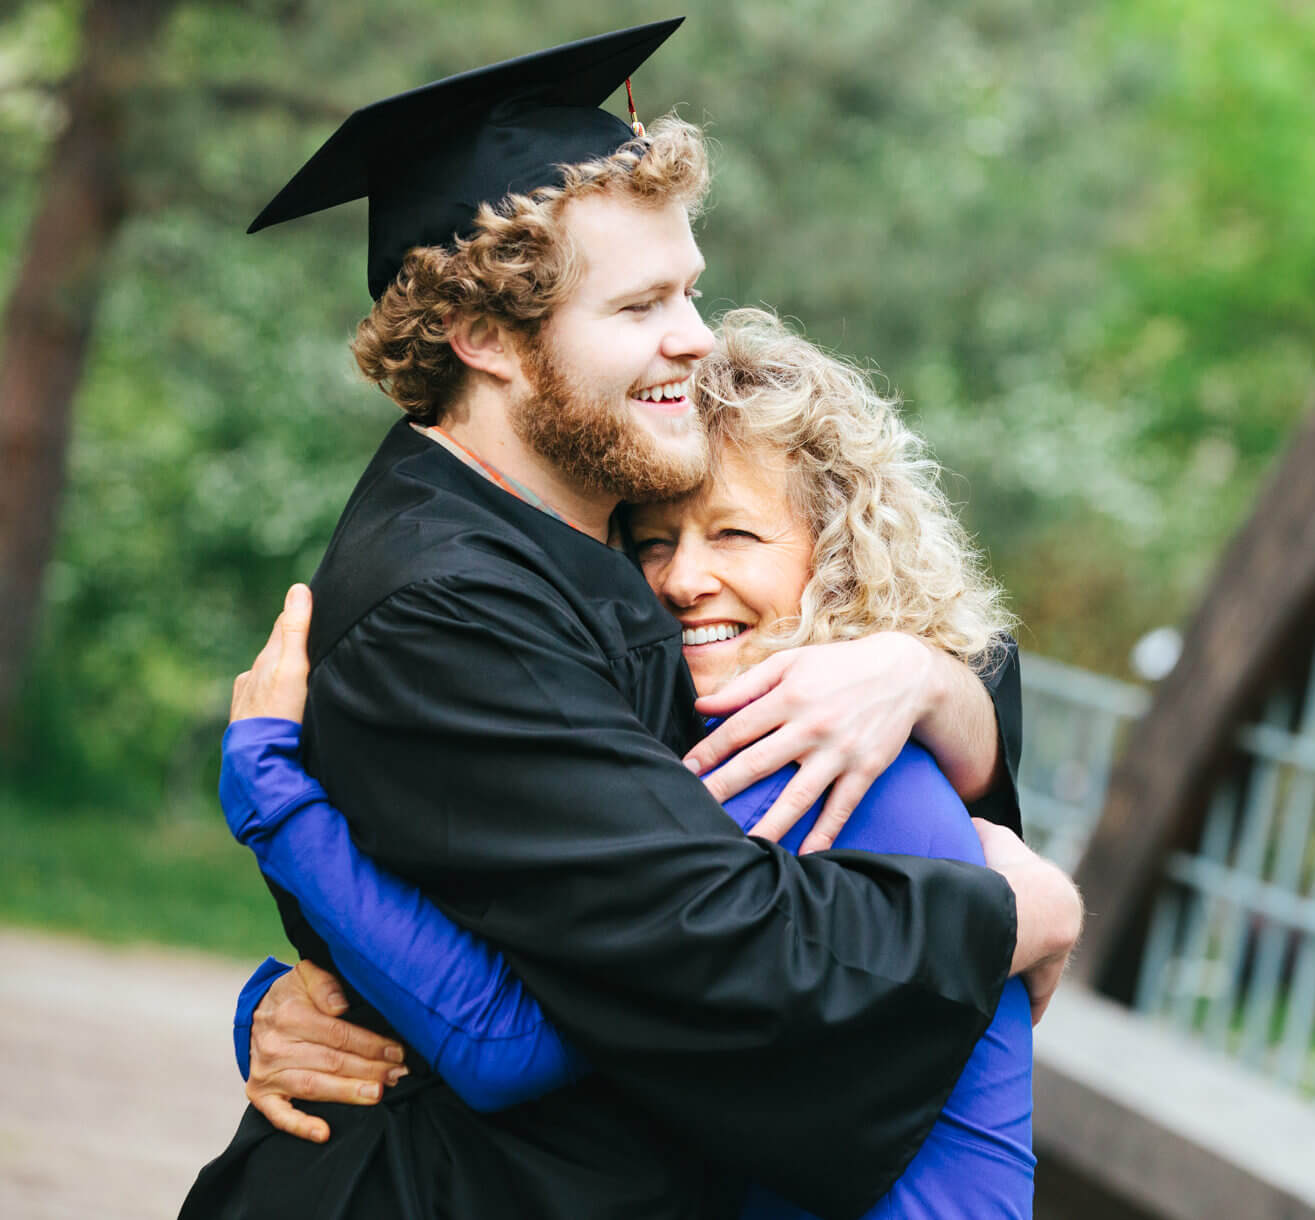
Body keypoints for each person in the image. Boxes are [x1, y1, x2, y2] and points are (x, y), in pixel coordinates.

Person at [179, 22, 1081, 1220]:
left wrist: (925, 679)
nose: (695, 337)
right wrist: (1018, 909)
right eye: (643, 302)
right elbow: (717, 955)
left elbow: (896, 606)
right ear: (486, 336)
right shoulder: (447, 606)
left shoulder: (610, 509)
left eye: (690, 289)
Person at [219, 307, 1038, 1218]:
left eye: (736, 535)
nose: (684, 580)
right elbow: (557, 933)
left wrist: (274, 799)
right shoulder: (746, 741)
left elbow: (511, 1033)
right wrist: (280, 998)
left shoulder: (806, 765)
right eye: (654, 542)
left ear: (840, 557)